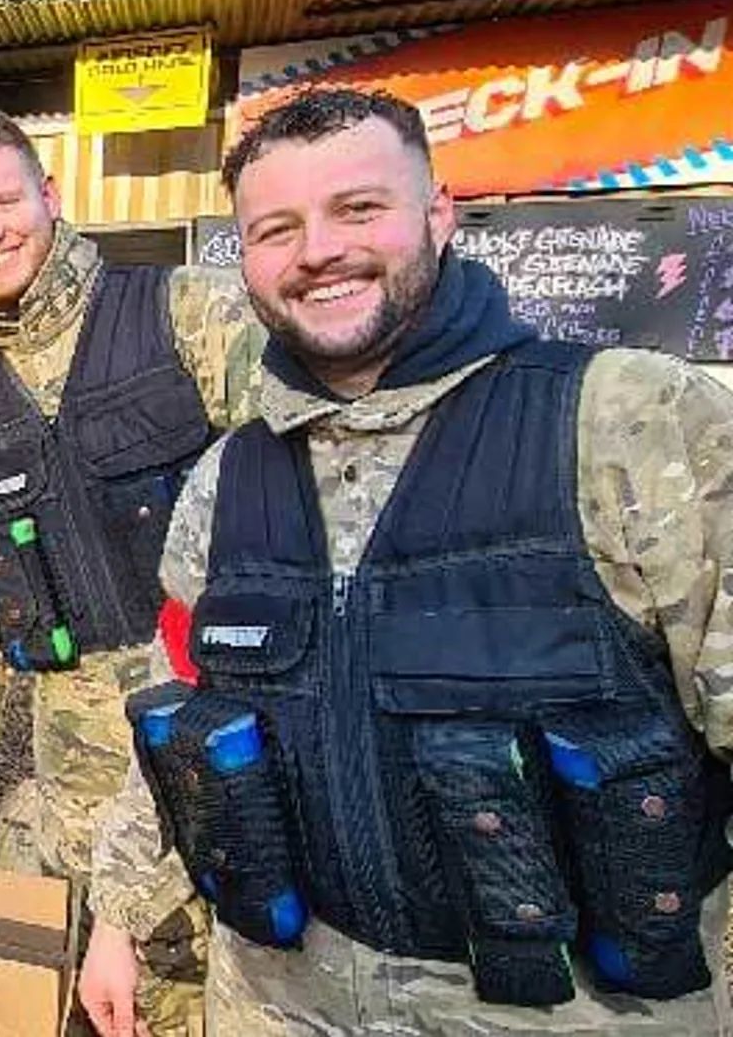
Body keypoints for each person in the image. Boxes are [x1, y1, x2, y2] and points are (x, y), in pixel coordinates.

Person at [79, 87, 733, 1036]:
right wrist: (119, 918)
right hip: (278, 1001)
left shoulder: (631, 424)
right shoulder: (229, 480)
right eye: (277, 228)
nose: (317, 252)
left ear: (437, 214)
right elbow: (176, 726)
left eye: (359, 209)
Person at [0, 104, 265, 1034]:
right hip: (72, 761)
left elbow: (303, 493)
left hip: (222, 746)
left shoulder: (187, 312)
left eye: (2, 201)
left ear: (50, 193)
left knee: (214, 990)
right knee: (113, 995)